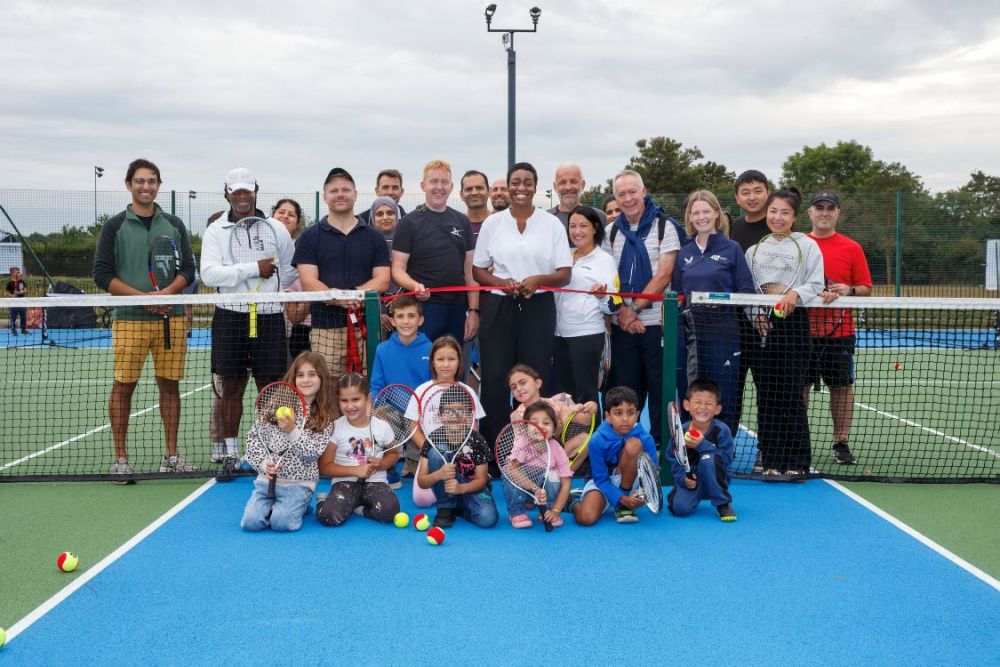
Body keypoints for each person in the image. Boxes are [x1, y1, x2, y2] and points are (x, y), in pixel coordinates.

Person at [92, 158, 197, 480]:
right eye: (140, 181)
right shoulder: (114, 226)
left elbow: (188, 271)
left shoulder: (174, 225)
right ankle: (121, 459)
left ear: (158, 186)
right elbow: (101, 274)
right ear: (129, 185)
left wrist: (165, 297)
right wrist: (143, 299)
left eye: (152, 181)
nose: (146, 186)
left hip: (172, 320)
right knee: (124, 387)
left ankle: (171, 456)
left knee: (170, 386)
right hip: (129, 320)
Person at [201, 168, 298, 464]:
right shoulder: (215, 231)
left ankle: (270, 449)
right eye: (236, 191)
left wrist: (271, 288)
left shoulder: (276, 228)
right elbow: (208, 274)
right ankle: (230, 452)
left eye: (247, 190)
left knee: (270, 386)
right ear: (227, 193)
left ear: (256, 190)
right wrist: (254, 269)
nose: (242, 196)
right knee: (231, 388)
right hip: (230, 317)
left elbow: (290, 267)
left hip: (268, 316)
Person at [473, 162, 572, 445]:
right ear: (507, 185)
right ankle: (496, 449)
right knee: (494, 379)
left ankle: (535, 447)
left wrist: (539, 279)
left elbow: (565, 273)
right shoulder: (493, 223)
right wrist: (498, 284)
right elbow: (478, 270)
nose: (521, 188)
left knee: (534, 379)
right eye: (515, 182)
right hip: (498, 308)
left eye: (528, 182)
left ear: (536, 187)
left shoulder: (551, 224)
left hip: (538, 308)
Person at [746, 188, 825, 478]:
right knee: (767, 395)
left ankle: (797, 461)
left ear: (794, 217)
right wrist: (755, 316)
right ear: (766, 213)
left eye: (785, 212)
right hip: (762, 327)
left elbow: (816, 284)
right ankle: (771, 460)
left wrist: (795, 294)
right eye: (773, 211)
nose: (778, 217)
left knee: (791, 394)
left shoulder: (808, 247)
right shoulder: (753, 252)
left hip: (794, 326)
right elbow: (748, 291)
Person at [602, 169, 681, 450]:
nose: (628, 198)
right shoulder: (610, 232)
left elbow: (664, 275)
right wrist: (622, 313)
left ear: (644, 191)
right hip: (624, 324)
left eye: (632, 192)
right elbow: (608, 276)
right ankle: (626, 444)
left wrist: (633, 309)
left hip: (657, 323)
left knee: (660, 388)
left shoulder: (665, 227)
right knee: (626, 389)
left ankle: (661, 446)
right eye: (621, 194)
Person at [671, 190, 754, 434]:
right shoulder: (684, 252)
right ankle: (691, 442)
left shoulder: (732, 248)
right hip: (691, 335)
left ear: (716, 214)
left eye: (706, 211)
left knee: (723, 390)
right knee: (692, 391)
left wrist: (721, 302)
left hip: (724, 333)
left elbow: (746, 290)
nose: (701, 217)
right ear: (689, 217)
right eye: (695, 212)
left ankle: (723, 444)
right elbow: (677, 294)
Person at [293, 167, 390, 376]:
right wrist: (340, 299)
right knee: (327, 390)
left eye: (346, 190)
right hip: (325, 330)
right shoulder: (310, 237)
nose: (340, 194)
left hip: (367, 327)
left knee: (366, 388)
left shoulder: (374, 237)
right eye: (334, 190)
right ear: (325, 196)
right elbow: (309, 282)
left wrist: (353, 295)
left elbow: (382, 280)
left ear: (355, 195)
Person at [804, 189, 872, 465]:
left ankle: (841, 442)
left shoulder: (852, 248)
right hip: (801, 331)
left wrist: (848, 290)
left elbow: (866, 288)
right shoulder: (799, 244)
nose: (824, 212)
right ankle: (800, 439)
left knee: (842, 388)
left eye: (829, 208)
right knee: (800, 386)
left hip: (840, 333)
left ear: (837, 213)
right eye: (818, 207)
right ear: (809, 212)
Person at [241, 352, 337, 531]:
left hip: (299, 483)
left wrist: (292, 430)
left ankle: (300, 504)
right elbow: (254, 439)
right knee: (250, 523)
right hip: (267, 481)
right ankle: (283, 507)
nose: (305, 380)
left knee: (281, 523)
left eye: (312, 374)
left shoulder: (325, 418)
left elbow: (311, 454)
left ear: (322, 378)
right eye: (300, 375)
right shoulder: (276, 405)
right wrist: (263, 464)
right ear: (293, 378)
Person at [391, 160, 479, 345]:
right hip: (424, 308)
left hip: (457, 307)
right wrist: (415, 286)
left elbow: (470, 272)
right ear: (423, 185)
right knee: (424, 365)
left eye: (444, 182)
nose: (439, 187)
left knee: (453, 365)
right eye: (433, 182)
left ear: (452, 186)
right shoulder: (409, 223)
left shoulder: (462, 221)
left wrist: (473, 311)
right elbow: (397, 269)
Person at [316, 372, 401, 526]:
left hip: (376, 482)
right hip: (345, 483)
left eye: (356, 399)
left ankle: (358, 509)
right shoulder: (335, 427)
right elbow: (324, 467)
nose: (350, 406)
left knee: (390, 511)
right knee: (329, 516)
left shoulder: (382, 427)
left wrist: (381, 465)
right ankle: (322, 501)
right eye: (344, 400)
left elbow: (394, 453)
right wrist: (356, 470)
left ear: (368, 398)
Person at [554, 205, 618, 405]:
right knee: (565, 397)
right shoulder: (563, 255)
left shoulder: (605, 260)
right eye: (572, 226)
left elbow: (613, 305)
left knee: (586, 397)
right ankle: (567, 437)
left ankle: (591, 437)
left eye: (583, 226)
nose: (577, 231)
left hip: (587, 334)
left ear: (595, 228)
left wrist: (601, 296)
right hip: (558, 335)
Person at [415, 384, 499, 529]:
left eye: (460, 410)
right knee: (436, 452)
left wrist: (460, 488)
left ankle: (460, 509)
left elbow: (481, 480)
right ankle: (445, 508)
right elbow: (422, 481)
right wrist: (439, 475)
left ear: (469, 415)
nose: (455, 416)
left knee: (488, 519)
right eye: (448, 411)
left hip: (470, 487)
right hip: (445, 486)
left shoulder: (477, 440)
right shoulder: (432, 440)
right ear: (439, 416)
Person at [569, 385, 656, 525]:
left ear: (638, 415)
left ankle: (623, 506)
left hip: (630, 482)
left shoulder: (646, 439)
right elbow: (601, 479)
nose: (625, 419)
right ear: (608, 416)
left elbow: (653, 473)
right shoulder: (596, 440)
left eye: (630, 412)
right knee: (586, 518)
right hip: (602, 484)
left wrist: (642, 493)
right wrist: (622, 498)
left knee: (634, 445)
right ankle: (572, 504)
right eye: (618, 413)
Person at [408, 336, 487, 480]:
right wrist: (430, 450)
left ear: (459, 362)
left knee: (464, 486)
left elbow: (473, 427)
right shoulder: (420, 391)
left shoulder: (468, 392)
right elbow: (413, 427)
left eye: (451, 359)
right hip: (432, 454)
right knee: (423, 498)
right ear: (432, 362)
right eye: (440, 359)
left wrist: (462, 452)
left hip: (462, 453)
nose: (446, 364)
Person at [730, 170, 772, 437]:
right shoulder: (731, 228)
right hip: (733, 324)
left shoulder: (779, 226)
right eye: (746, 192)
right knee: (732, 390)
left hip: (769, 324)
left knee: (768, 390)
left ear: (767, 192)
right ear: (737, 197)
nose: (752, 197)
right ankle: (725, 447)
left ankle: (766, 450)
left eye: (758, 190)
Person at [666, 378, 737, 522]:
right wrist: (682, 479)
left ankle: (722, 503)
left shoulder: (722, 431)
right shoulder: (680, 431)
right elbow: (672, 458)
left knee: (708, 458)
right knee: (680, 510)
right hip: (692, 480)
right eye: (697, 402)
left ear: (717, 409)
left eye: (709, 404)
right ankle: (678, 493)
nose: (703, 407)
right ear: (687, 405)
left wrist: (702, 445)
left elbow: (726, 460)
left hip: (716, 478)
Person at [507, 363, 596, 469]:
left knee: (585, 438)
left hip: (554, 454)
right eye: (514, 387)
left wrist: (590, 408)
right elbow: (540, 441)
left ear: (538, 383)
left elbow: (585, 420)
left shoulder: (556, 401)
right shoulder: (517, 415)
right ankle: (552, 477)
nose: (518, 388)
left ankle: (564, 475)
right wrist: (566, 416)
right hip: (534, 461)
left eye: (523, 383)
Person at [500, 401, 573, 529]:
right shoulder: (522, 443)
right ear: (525, 427)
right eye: (534, 423)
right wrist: (535, 489)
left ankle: (547, 511)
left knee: (553, 475)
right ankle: (516, 512)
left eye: (546, 423)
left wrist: (556, 511)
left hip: (542, 491)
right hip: (527, 488)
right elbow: (512, 471)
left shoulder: (557, 449)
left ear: (554, 429)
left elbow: (566, 484)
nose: (540, 426)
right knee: (507, 470)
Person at [272, 199, 312, 360]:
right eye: (281, 212)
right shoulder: (259, 247)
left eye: (291, 214)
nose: (285, 216)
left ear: (296, 224)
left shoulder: (303, 249)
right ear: (272, 216)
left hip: (295, 327)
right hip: (264, 322)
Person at [547, 164, 608, 243]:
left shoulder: (599, 216)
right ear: (555, 187)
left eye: (573, 182)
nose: (568, 187)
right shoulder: (545, 219)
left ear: (582, 185)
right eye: (562, 182)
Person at [460, 169, 491, 235]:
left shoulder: (501, 222)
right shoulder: (456, 225)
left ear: (489, 192)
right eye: (468, 189)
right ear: (461, 195)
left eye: (479, 188)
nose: (474, 193)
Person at [5, 266, 28, 335]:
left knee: (23, 317)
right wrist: (12, 296)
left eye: (19, 272)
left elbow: (25, 290)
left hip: (22, 302)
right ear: (12, 273)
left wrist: (19, 293)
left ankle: (23, 330)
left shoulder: (21, 281)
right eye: (17, 272)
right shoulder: (9, 283)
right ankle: (13, 330)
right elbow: (5, 293)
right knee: (13, 318)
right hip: (13, 303)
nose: (19, 273)